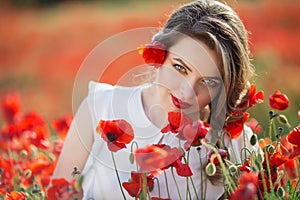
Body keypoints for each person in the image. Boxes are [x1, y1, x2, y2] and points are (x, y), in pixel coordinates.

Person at [52, 0, 260, 199]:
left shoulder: (236, 144)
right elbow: (58, 194)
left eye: (209, 82)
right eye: (179, 68)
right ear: (159, 53)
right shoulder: (100, 106)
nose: (187, 93)